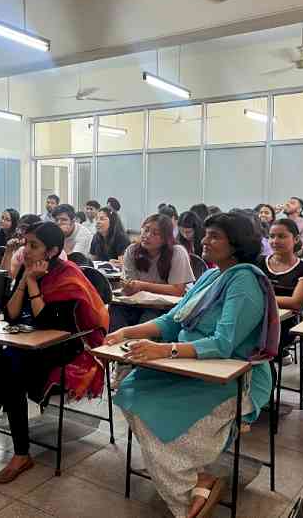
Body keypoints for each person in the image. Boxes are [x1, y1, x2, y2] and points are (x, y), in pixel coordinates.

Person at [105, 212, 275, 518]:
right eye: (206, 234)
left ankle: (186, 500)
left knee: (156, 417)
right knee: (130, 392)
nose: (204, 240)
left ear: (236, 244)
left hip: (232, 375)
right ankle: (198, 479)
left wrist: (165, 351)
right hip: (187, 365)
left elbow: (223, 343)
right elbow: (173, 320)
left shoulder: (246, 281)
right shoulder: (211, 275)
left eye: (215, 236)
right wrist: (127, 332)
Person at [0, 222, 109, 484]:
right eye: (26, 244)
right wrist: (24, 280)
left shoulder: (68, 276)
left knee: (6, 369)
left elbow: (47, 322)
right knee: (2, 364)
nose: (27, 250)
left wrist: (32, 282)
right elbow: (10, 315)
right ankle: (13, 450)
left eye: (34, 246)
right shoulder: (26, 267)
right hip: (29, 343)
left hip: (65, 346)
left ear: (53, 251)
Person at [109, 214, 194, 333]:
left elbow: (177, 291)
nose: (147, 236)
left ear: (166, 238)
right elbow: (131, 285)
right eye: (146, 229)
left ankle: (135, 348)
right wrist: (129, 287)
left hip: (165, 307)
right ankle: (110, 346)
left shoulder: (177, 252)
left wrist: (142, 285)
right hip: (137, 303)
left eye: (155, 233)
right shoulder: (132, 250)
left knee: (149, 317)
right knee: (116, 308)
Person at [256, 218, 303, 363]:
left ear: (296, 239)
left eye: (281, 236)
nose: (275, 241)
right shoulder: (258, 262)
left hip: (285, 324)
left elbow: (296, 303)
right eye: (271, 236)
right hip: (256, 317)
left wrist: (260, 299)